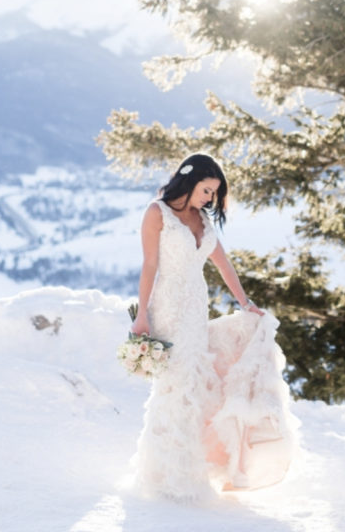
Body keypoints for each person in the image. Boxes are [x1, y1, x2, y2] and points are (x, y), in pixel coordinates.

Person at [127, 152, 302, 505]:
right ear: (189, 181)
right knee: (177, 385)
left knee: (196, 380)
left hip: (196, 306)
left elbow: (222, 262)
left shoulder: (203, 218)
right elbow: (149, 265)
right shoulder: (156, 213)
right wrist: (141, 314)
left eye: (214, 193)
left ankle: (192, 466)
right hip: (169, 305)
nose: (210, 198)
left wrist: (244, 303)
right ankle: (168, 474)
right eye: (206, 190)